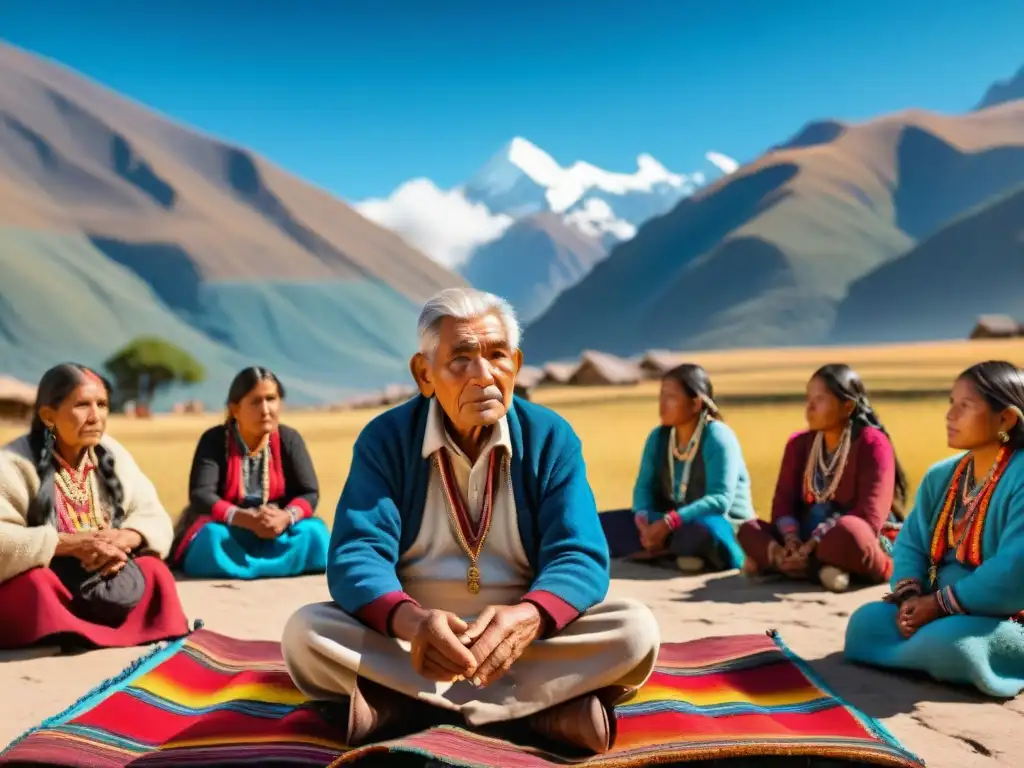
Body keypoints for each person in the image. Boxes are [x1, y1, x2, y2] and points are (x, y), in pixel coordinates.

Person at [281, 287, 660, 755]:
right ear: (424, 374)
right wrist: (412, 623)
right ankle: (538, 711)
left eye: (498, 356)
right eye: (460, 360)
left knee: (635, 630)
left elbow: (579, 554)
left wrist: (529, 617)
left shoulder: (550, 438)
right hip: (414, 644)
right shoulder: (386, 440)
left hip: (525, 643)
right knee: (305, 633)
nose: (484, 375)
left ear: (516, 365)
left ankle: (408, 710)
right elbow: (356, 555)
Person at [845, 361, 1024, 697]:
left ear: (1007, 419)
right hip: (935, 607)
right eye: (950, 403)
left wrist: (940, 605)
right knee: (864, 624)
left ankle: (937, 652)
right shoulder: (942, 475)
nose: (950, 415)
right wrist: (911, 598)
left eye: (965, 406)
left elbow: (1015, 569)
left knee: (955, 645)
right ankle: (929, 650)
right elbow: (911, 543)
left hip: (1008, 616)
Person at [0, 363, 188, 651]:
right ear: (49, 416)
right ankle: (75, 627)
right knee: (35, 587)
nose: (95, 416)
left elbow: (152, 514)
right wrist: (68, 545)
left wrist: (124, 539)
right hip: (54, 580)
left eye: (102, 405)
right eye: (82, 405)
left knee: (155, 571)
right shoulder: (13, 463)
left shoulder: (112, 453)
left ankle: (75, 630)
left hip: (107, 577)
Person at [737, 364, 906, 592]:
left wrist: (815, 543)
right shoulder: (799, 444)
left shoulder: (872, 443)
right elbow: (782, 505)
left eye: (820, 399)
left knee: (850, 532)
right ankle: (807, 566)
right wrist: (791, 541)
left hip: (849, 537)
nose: (810, 407)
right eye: (808, 398)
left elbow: (870, 516)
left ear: (847, 406)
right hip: (804, 537)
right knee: (749, 529)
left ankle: (799, 567)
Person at [170, 367, 328, 580]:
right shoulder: (215, 440)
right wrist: (243, 518)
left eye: (271, 399)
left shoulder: (289, 439)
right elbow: (201, 495)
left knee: (314, 533)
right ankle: (283, 565)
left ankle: (249, 565)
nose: (265, 409)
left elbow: (309, 493)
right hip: (230, 529)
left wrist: (285, 517)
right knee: (211, 538)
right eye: (255, 401)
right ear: (235, 409)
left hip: (277, 529)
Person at [602, 364, 754, 573]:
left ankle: (669, 551)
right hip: (670, 522)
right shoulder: (659, 438)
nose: (662, 405)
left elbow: (719, 500)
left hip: (718, 523)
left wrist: (669, 523)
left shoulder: (718, 437)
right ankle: (671, 551)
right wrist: (643, 521)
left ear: (695, 404)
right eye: (661, 396)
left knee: (702, 532)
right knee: (599, 524)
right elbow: (643, 488)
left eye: (671, 397)